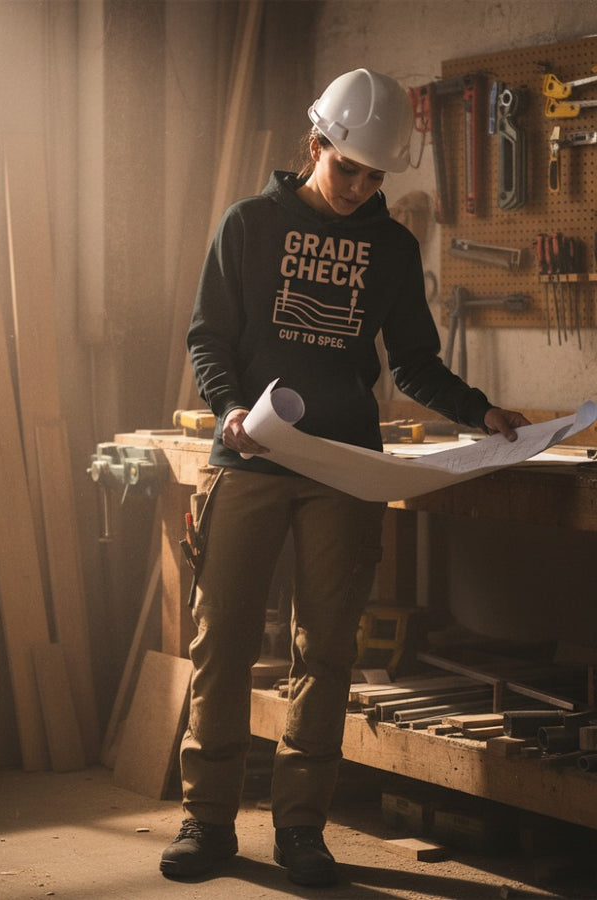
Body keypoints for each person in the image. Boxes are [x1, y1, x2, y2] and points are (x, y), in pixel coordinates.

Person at [160, 68, 529, 887]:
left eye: (376, 176)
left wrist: (482, 412)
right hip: (250, 456)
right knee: (221, 645)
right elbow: (207, 336)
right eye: (348, 169)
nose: (362, 188)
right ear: (316, 143)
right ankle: (208, 822)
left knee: (325, 652)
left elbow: (416, 363)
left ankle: (301, 831)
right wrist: (225, 412)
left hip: (344, 466)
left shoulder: (391, 246)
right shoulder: (249, 224)